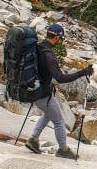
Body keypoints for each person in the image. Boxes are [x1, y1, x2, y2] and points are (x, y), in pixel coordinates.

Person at [26, 23, 92, 159]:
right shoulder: (48, 54)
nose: (60, 42)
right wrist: (82, 73)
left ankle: (33, 139)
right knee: (59, 121)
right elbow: (60, 78)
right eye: (60, 39)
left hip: (32, 88)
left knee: (49, 113)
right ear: (57, 38)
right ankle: (63, 150)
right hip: (40, 92)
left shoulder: (37, 47)